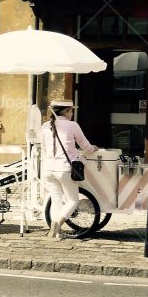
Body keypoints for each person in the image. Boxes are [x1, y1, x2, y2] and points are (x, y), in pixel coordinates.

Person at [40, 99, 97, 240]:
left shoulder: (45, 126)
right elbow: (85, 146)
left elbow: (44, 148)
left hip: (48, 169)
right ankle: (57, 224)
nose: (72, 113)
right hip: (65, 169)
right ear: (66, 111)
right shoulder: (72, 125)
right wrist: (93, 148)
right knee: (72, 201)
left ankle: (57, 232)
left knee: (56, 200)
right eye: (71, 110)